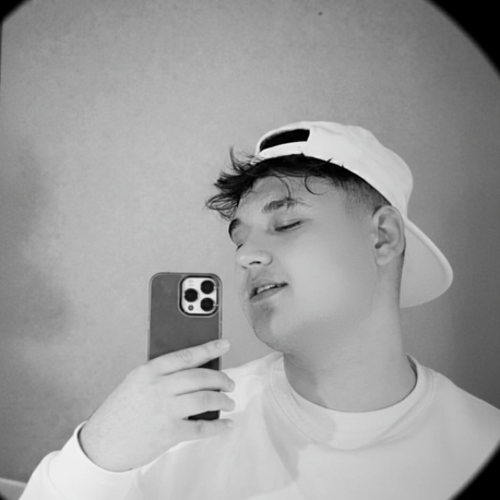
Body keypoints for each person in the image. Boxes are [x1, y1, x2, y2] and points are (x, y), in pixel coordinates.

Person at [21, 121, 500, 499]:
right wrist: (97, 455)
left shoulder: (482, 443)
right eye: (239, 238)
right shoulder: (178, 428)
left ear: (382, 237)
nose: (245, 256)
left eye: (287, 223)